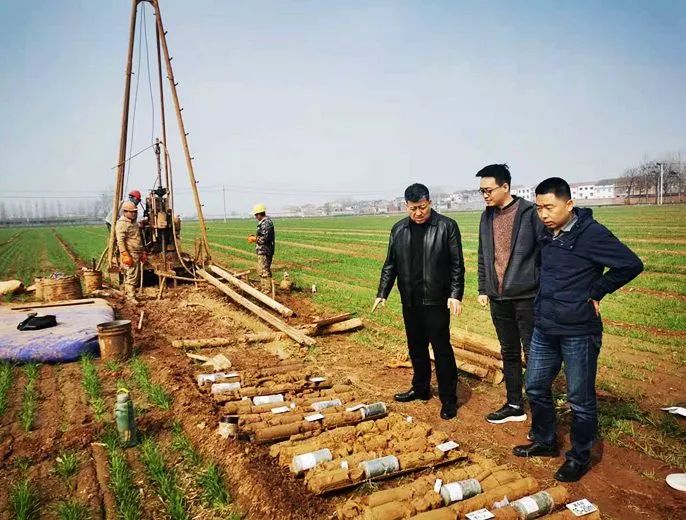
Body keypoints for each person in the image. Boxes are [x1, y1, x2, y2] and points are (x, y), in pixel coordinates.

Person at [513, 177, 643, 482]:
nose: (543, 214)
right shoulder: (547, 233)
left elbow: (631, 264)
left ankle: (579, 457)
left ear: (569, 204)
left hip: (578, 331)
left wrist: (597, 290)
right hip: (545, 326)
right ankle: (545, 440)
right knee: (535, 386)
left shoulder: (591, 234)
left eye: (549, 207)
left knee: (580, 399)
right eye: (539, 208)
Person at [373, 183, 464, 420]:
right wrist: (382, 293)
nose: (418, 213)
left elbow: (457, 264)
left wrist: (455, 295)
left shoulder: (446, 226)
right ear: (406, 206)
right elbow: (390, 264)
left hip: (436, 301)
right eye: (413, 208)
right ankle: (421, 388)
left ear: (429, 203)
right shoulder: (399, 229)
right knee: (416, 348)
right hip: (410, 300)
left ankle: (448, 399)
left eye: (422, 207)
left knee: (442, 350)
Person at [476, 164, 544, 425]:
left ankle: (541, 410)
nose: (485, 195)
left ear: (505, 187)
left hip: (527, 296)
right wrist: (484, 288)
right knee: (509, 352)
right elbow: (484, 255)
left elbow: (545, 253)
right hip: (498, 298)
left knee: (533, 352)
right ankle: (514, 404)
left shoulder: (529, 213)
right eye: (481, 191)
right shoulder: (487, 217)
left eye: (489, 190)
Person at [115, 200, 146, 302]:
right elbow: (120, 241)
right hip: (130, 253)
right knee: (132, 276)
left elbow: (138, 238)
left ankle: (128, 294)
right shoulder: (122, 224)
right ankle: (131, 297)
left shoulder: (133, 223)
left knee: (134, 275)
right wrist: (125, 254)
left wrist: (143, 252)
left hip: (137, 252)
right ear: (125, 212)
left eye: (135, 212)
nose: (134, 214)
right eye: (131, 212)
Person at [248, 203, 275, 292]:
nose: (255, 217)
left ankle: (266, 289)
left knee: (264, 270)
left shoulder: (266, 223)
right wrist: (255, 237)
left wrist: (254, 239)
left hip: (265, 251)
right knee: (262, 269)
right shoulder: (264, 223)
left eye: (256, 215)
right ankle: (264, 287)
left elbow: (265, 239)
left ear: (259, 214)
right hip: (263, 250)